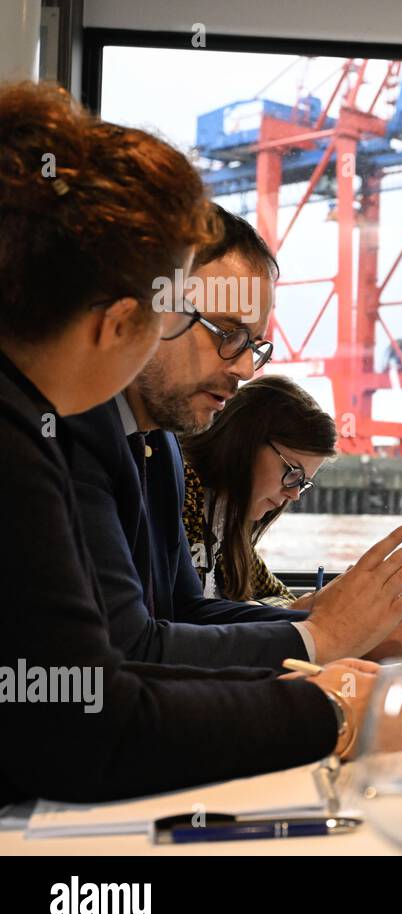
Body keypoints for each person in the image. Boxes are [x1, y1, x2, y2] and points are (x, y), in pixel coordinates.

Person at [0, 81, 374, 804]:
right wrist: (329, 707)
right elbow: (86, 727)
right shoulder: (33, 439)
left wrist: (324, 629)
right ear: (119, 323)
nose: (236, 364)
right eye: (177, 314)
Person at [63, 203, 402, 670]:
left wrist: (315, 614)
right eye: (227, 333)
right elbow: (127, 655)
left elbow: (184, 612)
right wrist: (322, 644)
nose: (244, 368)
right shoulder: (71, 436)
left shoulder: (160, 446)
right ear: (146, 309)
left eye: (254, 346)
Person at [181, 374, 335, 607]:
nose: (293, 494)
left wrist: (262, 610)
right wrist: (255, 615)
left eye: (302, 483)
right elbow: (179, 619)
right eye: (292, 471)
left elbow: (283, 597)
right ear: (245, 440)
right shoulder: (182, 498)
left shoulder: (228, 525)